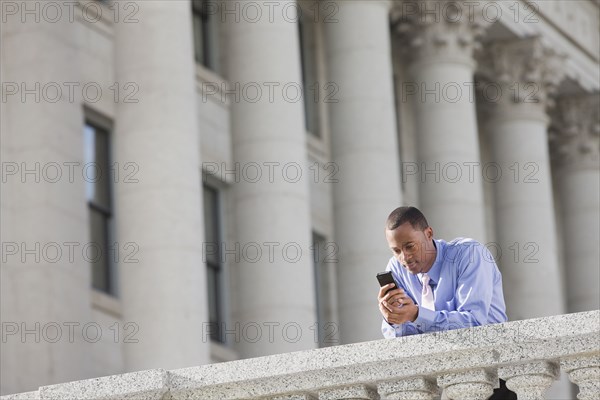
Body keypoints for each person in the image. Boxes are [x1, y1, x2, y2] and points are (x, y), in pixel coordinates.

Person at [377, 206, 516, 400]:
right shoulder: (396, 269)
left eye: (410, 246)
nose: (404, 258)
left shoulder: (469, 254)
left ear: (429, 234)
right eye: (396, 251)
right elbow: (404, 343)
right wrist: (394, 320)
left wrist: (416, 315)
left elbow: (474, 325)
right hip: (446, 383)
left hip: (494, 377)